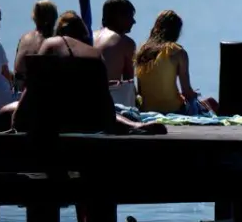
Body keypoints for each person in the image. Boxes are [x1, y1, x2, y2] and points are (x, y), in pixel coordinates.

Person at [15, 11, 153, 134]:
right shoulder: (94, 53)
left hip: (54, 121)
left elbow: (32, 85)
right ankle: (135, 124)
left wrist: (16, 120)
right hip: (92, 122)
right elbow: (105, 101)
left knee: (6, 110)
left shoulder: (51, 43)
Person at [134, 10, 216, 115]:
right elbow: (187, 92)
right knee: (211, 102)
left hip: (147, 109)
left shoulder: (143, 51)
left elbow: (141, 91)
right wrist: (194, 94)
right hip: (174, 110)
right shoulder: (178, 52)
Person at [13, 0, 59, 90]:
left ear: (34, 17)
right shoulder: (57, 40)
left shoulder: (24, 38)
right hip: (40, 91)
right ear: (54, 17)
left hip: (19, 91)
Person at [93, 0, 137, 83]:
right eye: (130, 16)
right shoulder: (126, 43)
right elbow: (129, 84)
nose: (133, 21)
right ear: (119, 17)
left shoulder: (90, 36)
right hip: (105, 94)